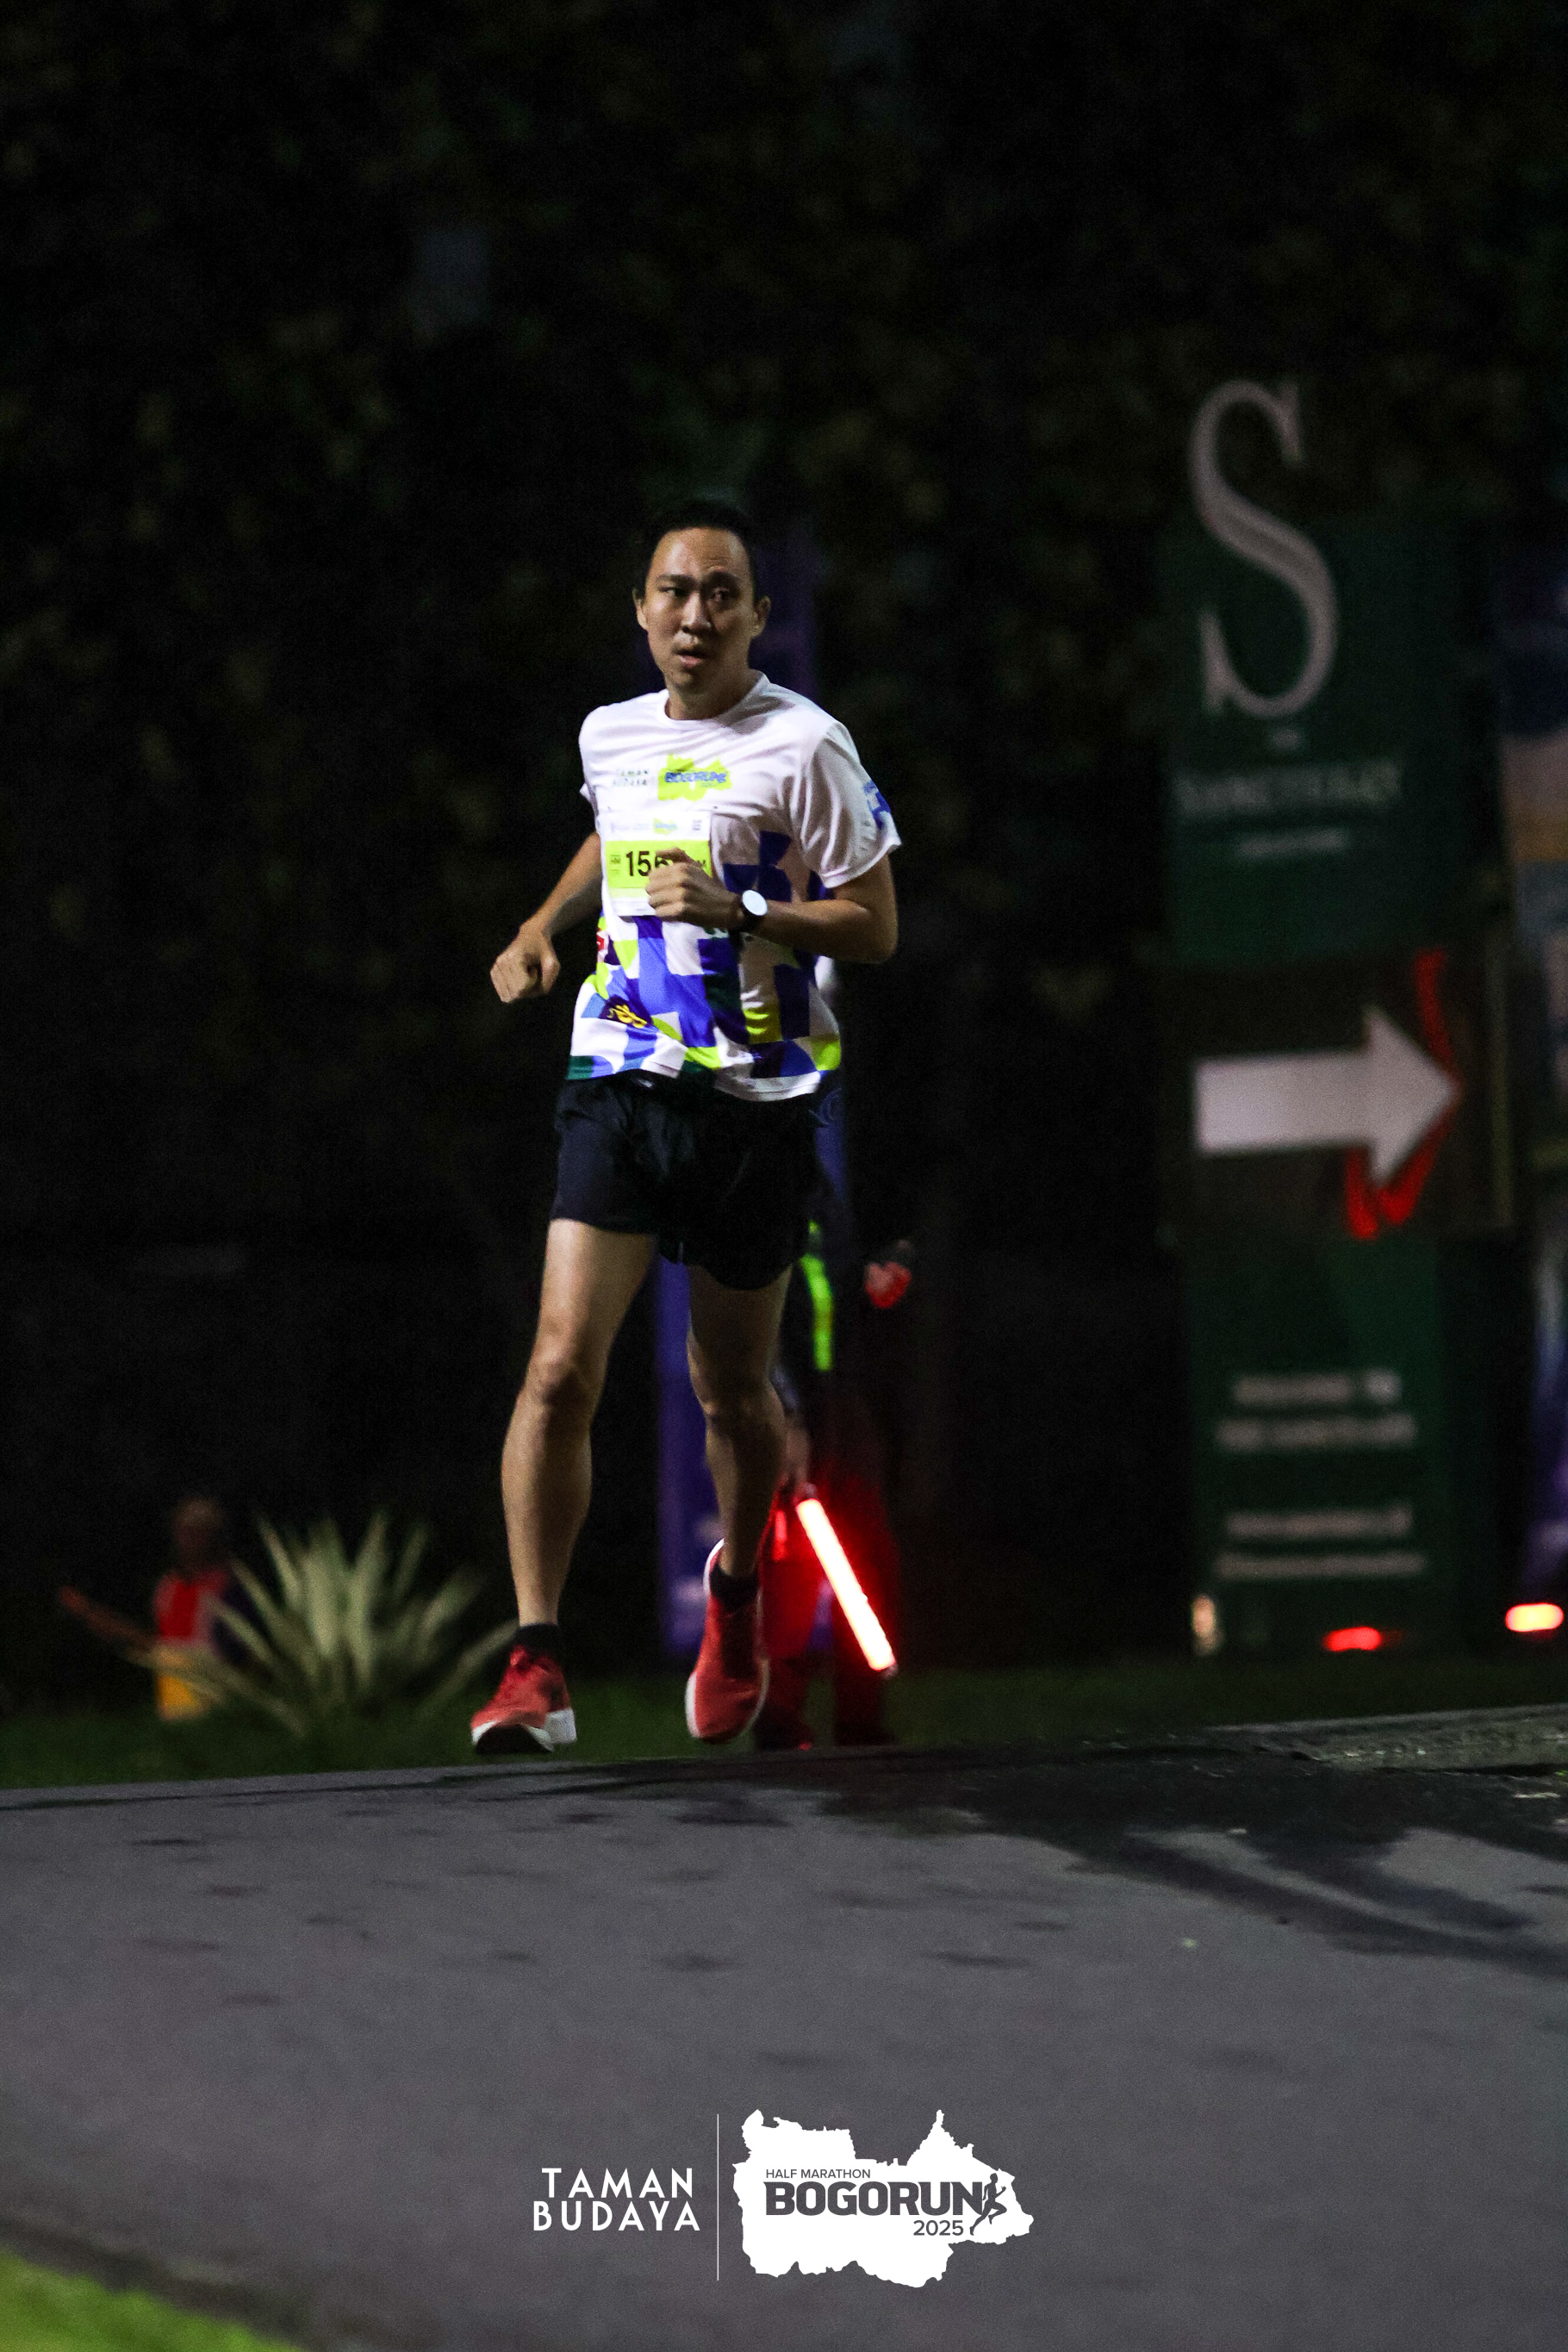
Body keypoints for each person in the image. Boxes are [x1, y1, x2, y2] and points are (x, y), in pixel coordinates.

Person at [470, 498, 899, 1754]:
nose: (695, 613)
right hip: (618, 1076)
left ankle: (738, 1595)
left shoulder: (807, 746)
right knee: (560, 1365)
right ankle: (536, 1662)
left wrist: (742, 909)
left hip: (755, 1102)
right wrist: (541, 925)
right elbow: (612, 831)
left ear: (757, 616)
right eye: (674, 591)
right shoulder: (610, 733)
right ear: (642, 612)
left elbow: (876, 926)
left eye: (721, 593)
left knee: (733, 1395)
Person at [151, 1495, 243, 1722]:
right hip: (173, 1695)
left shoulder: (229, 1586)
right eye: (184, 1531)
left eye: (198, 1531)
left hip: (216, 1698)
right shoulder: (169, 1584)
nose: (189, 1539)